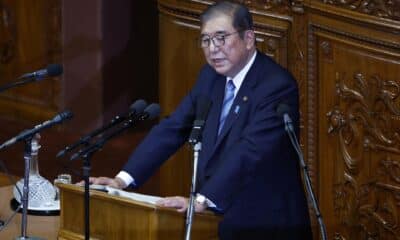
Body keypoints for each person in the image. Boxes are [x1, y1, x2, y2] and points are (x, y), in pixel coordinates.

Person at [90, 1, 312, 239]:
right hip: (221, 219)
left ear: (248, 39)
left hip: (268, 222)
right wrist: (122, 181)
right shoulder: (210, 78)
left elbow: (250, 152)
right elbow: (173, 127)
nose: (213, 49)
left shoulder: (275, 86)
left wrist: (202, 200)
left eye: (221, 37)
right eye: (205, 40)